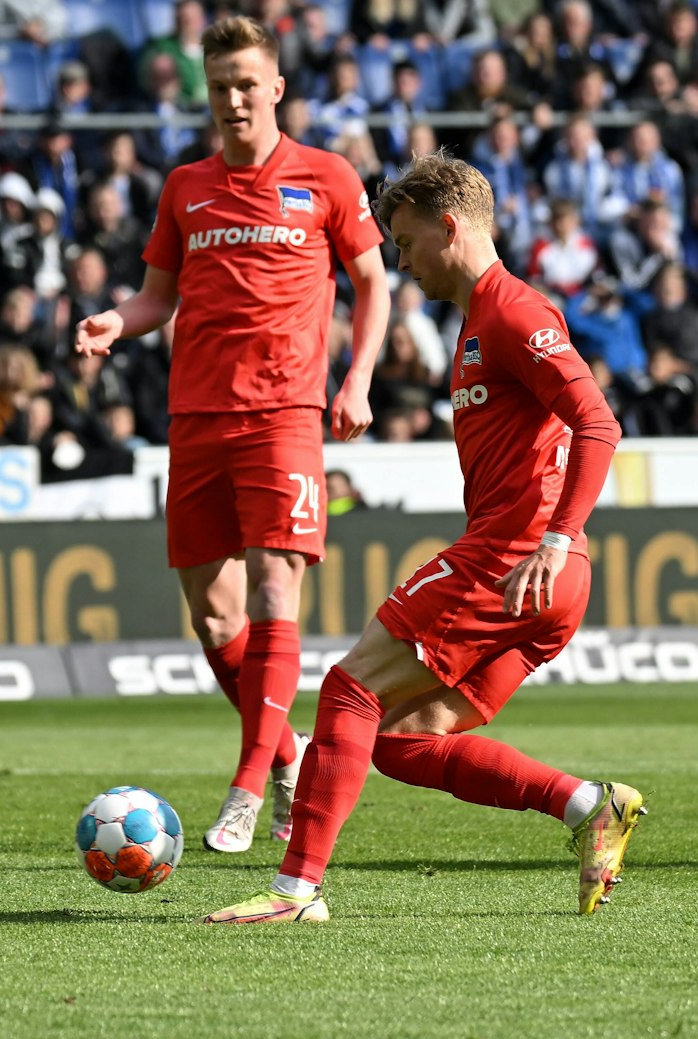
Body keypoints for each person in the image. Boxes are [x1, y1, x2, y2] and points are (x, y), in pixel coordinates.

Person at [204, 150, 640, 926]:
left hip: (517, 558)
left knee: (350, 688)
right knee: (404, 740)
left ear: (450, 227)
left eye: (405, 243)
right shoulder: (479, 322)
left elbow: (598, 421)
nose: (400, 263)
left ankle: (295, 891)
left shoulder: (514, 311)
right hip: (546, 579)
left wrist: (555, 536)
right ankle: (588, 807)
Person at [74, 16, 390, 856]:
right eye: (220, 87)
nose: (234, 99)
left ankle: (251, 784)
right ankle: (285, 754)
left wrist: (355, 381)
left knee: (273, 593)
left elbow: (373, 284)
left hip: (285, 416)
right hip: (197, 421)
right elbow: (157, 297)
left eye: (247, 84)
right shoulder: (186, 186)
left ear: (276, 87)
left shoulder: (327, 178)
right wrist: (118, 320)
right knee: (214, 621)